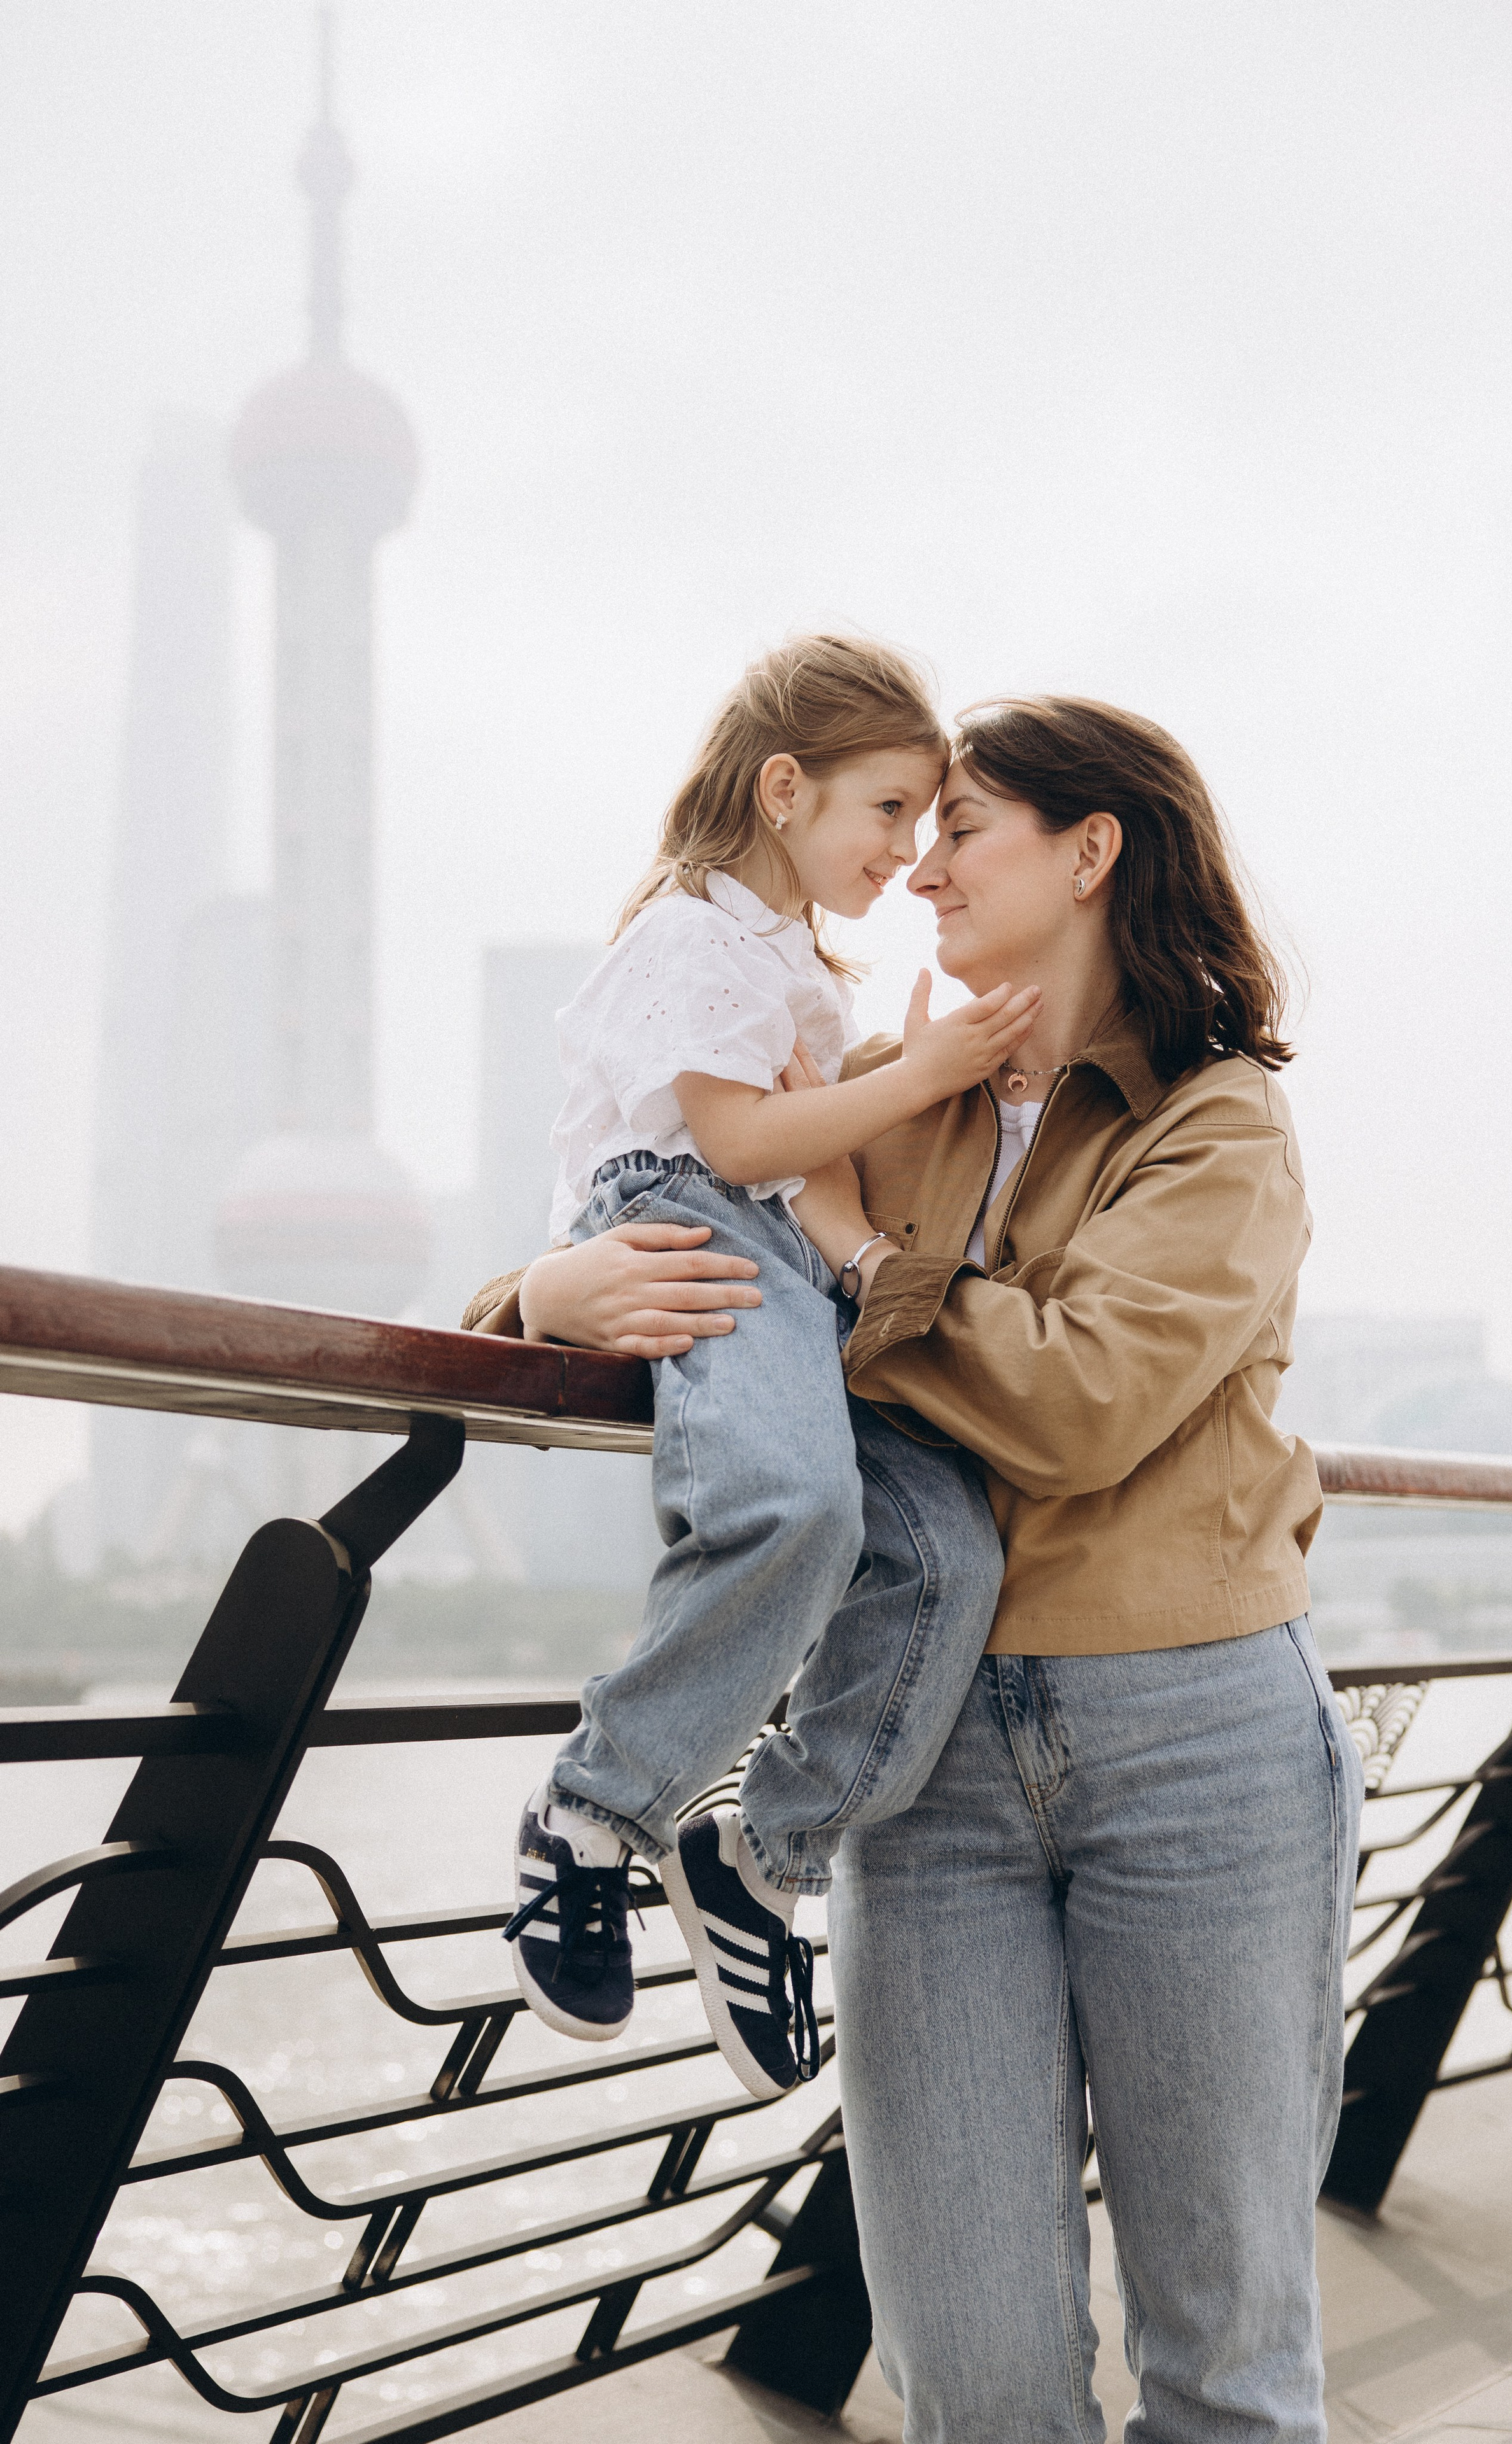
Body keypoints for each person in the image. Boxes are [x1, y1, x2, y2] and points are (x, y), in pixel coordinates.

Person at [469, 690, 1360, 2440]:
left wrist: (863, 1248)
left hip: (1195, 1749)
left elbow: (1085, 1403)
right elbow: (684, 1204)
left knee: (1226, 2369)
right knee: (971, 2378)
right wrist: (538, 1301)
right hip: (919, 1768)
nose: (920, 865)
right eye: (919, 823)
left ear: (1089, 852)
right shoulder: (884, 1092)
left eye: (963, 829)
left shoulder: (1218, 1128)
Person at [484, 634, 1032, 2107]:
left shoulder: (786, 957)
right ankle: (591, 1809)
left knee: (942, 1559)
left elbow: (808, 1167)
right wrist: (910, 1080)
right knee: (793, 1509)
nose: (904, 853)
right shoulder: (685, 936)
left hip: (782, 1259)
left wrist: (874, 1093)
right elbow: (728, 1147)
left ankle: (759, 1852)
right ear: (784, 790)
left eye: (927, 824)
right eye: (886, 813)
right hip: (685, 1223)